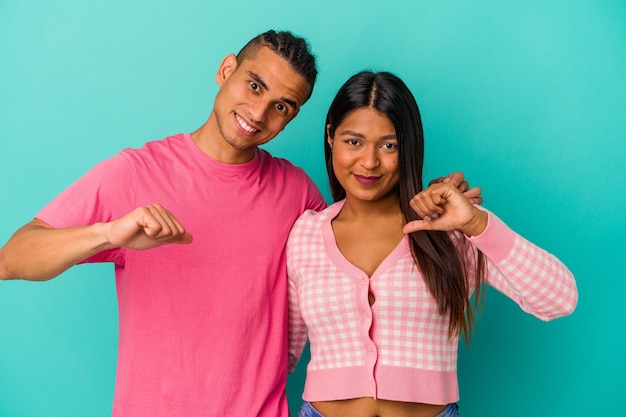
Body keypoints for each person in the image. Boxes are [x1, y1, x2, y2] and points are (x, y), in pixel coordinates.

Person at [0, 32, 478, 416]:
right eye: (254, 85)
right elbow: (13, 258)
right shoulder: (135, 173)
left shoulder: (296, 194)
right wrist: (106, 233)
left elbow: (364, 228)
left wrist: (432, 203)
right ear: (226, 69)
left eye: (283, 106)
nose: (259, 112)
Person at [286, 71, 578, 417]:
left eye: (389, 145)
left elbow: (560, 299)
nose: (369, 161)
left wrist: (476, 223)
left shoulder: (450, 228)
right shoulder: (305, 234)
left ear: (409, 147)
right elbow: (281, 353)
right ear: (331, 137)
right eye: (354, 141)